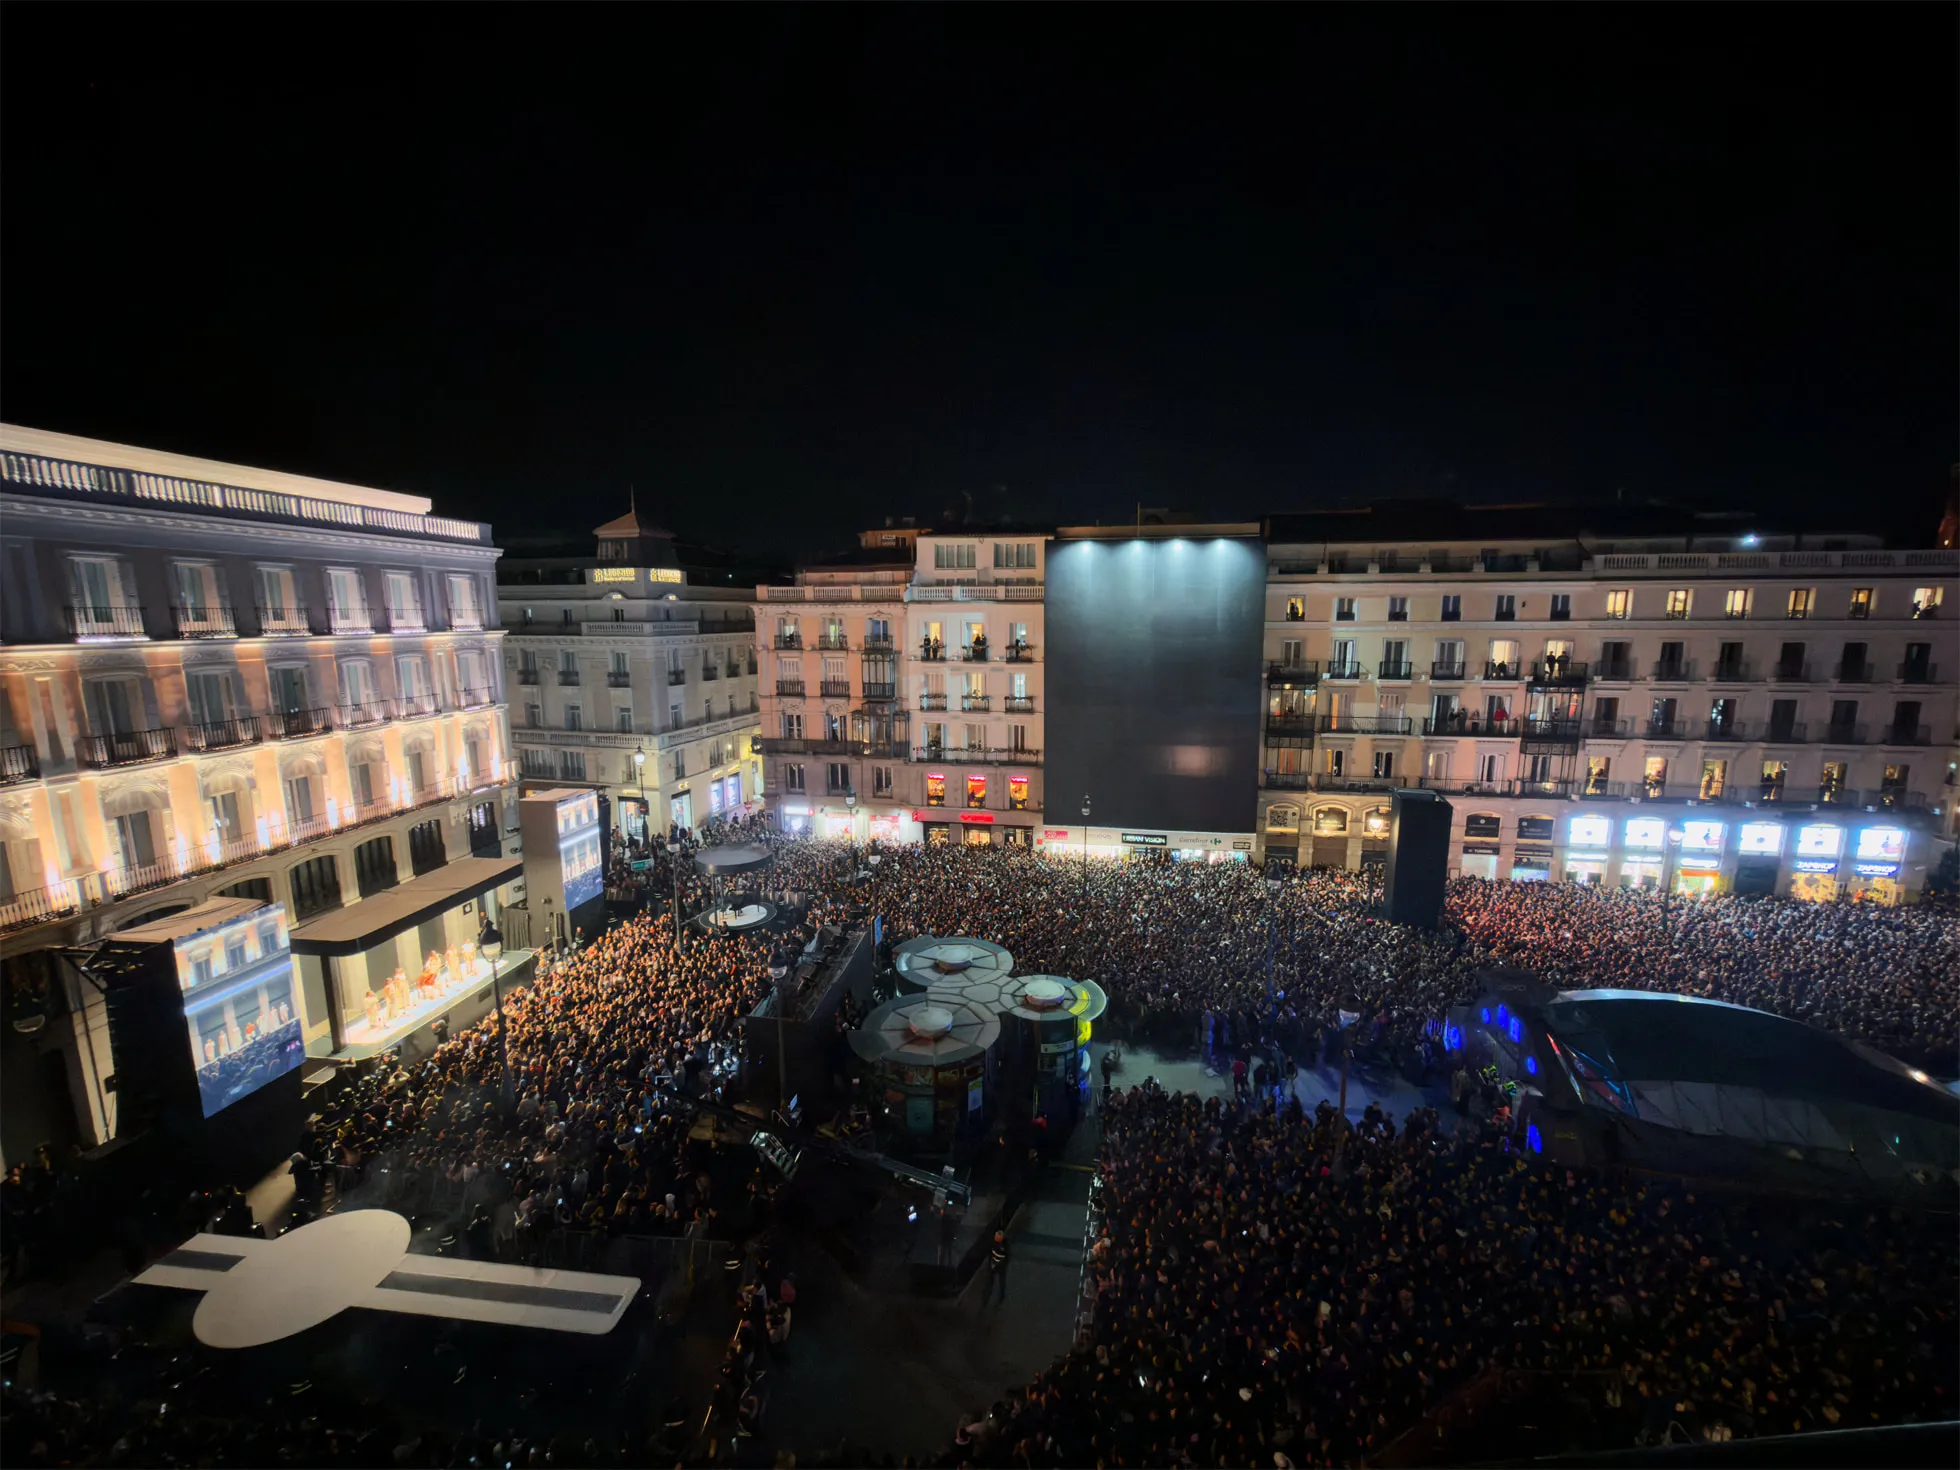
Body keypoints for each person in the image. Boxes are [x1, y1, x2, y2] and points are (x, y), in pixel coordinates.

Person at [981, 1230, 1010, 1307]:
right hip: (995, 1265)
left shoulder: (1003, 1245)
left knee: (999, 1280)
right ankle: (990, 1294)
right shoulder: (996, 1244)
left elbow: (1006, 1257)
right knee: (992, 1280)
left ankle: (1000, 1294)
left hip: (999, 1265)